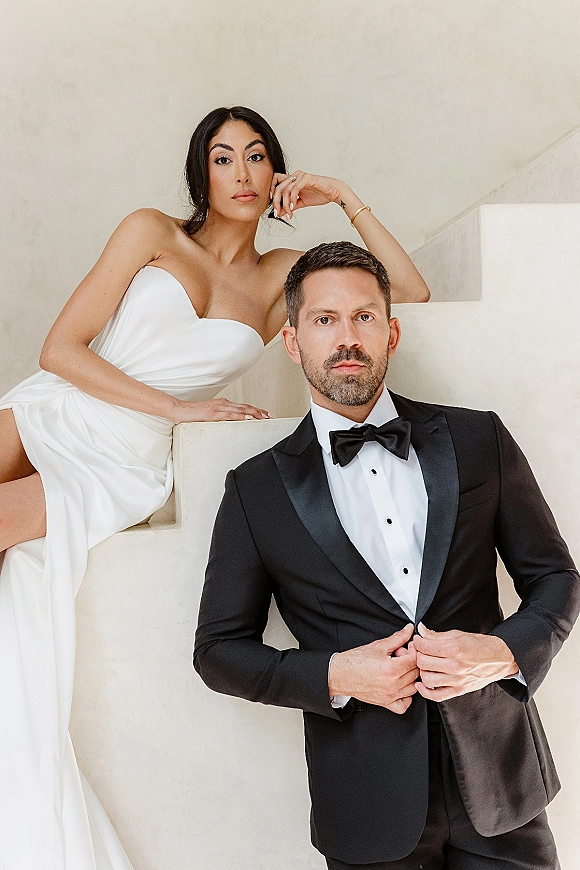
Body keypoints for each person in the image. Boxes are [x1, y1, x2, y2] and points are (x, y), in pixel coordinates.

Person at [0, 108, 429, 870]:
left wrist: (346, 197)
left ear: (276, 176)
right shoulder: (151, 231)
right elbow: (59, 348)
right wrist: (179, 409)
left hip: (121, 458)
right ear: (202, 171)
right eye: (224, 157)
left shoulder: (278, 283)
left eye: (257, 157)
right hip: (57, 405)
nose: (240, 172)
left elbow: (409, 293)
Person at [194, 240, 580, 869]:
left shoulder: (478, 437)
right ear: (293, 342)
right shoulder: (254, 490)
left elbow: (556, 579)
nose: (347, 337)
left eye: (363, 316)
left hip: (503, 786)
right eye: (325, 320)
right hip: (365, 804)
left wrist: (504, 652)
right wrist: (333, 675)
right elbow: (217, 652)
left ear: (391, 331)